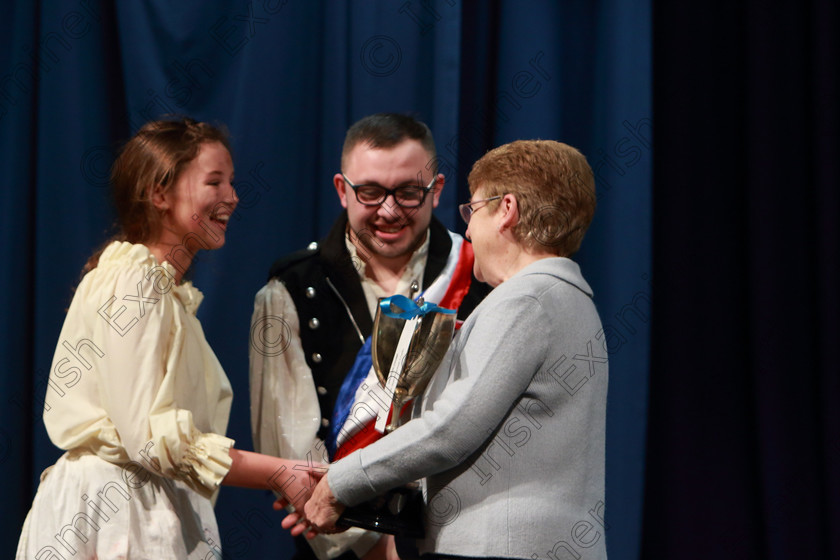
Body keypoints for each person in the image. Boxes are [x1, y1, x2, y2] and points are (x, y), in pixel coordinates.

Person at [16, 118, 321, 560]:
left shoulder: (163, 292)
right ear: (159, 194)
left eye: (231, 182)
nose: (232, 197)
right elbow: (149, 438)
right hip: (112, 510)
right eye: (214, 182)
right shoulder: (133, 281)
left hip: (144, 503)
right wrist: (277, 472)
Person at [289, 140, 609, 560]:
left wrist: (342, 482)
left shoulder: (526, 300)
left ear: (506, 209)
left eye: (473, 210)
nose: (469, 230)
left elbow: (451, 430)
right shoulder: (569, 300)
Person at [249, 113, 489, 559]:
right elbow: (288, 451)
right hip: (340, 542)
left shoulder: (480, 277)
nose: (390, 210)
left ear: (436, 191)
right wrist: (373, 542)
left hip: (460, 534)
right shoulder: (289, 291)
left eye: (408, 192)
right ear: (343, 190)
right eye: (371, 192)